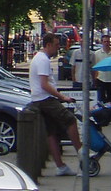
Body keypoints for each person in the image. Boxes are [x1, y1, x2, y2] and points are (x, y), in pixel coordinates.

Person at [29, 32, 83, 177]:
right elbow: (44, 84)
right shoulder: (43, 60)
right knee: (70, 120)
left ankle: (60, 166)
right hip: (45, 99)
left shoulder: (39, 58)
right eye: (56, 45)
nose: (58, 48)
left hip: (39, 99)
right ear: (48, 45)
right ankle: (82, 153)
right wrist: (62, 97)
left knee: (51, 133)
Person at [92, 34, 111, 105]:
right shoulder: (97, 53)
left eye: (108, 42)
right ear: (102, 42)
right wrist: (95, 79)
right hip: (101, 79)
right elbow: (95, 67)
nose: (106, 43)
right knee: (101, 100)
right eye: (105, 42)